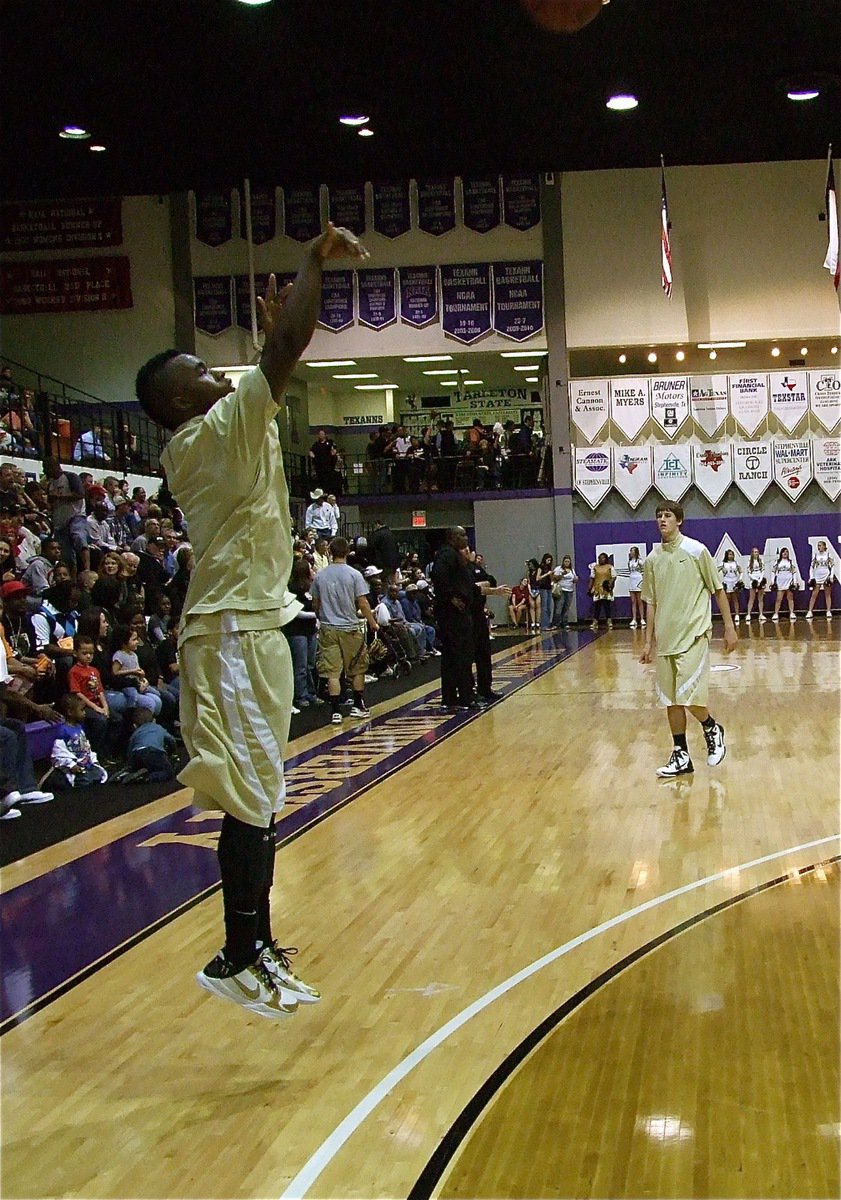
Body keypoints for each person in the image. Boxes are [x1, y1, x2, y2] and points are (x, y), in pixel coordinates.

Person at [135, 224, 366, 1016]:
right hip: (231, 628)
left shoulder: (233, 429)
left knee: (259, 795)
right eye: (199, 371)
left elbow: (276, 363)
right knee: (250, 797)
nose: (214, 372)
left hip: (252, 622)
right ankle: (237, 952)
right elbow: (286, 351)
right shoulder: (204, 437)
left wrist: (277, 343)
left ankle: (253, 946)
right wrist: (310, 263)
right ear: (176, 401)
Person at [639, 503, 737, 777]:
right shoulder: (652, 559)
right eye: (659, 516)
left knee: (688, 695)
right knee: (671, 701)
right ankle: (681, 754)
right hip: (666, 639)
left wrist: (729, 627)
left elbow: (718, 590)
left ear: (679, 520)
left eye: (667, 515)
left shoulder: (697, 551)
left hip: (694, 635)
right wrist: (648, 641)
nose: (662, 520)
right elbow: (651, 602)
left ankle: (711, 728)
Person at [311, 535, 378, 725]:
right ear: (347, 552)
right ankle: (358, 705)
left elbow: (315, 603)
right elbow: (363, 603)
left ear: (330, 552)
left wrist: (322, 616)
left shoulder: (320, 576)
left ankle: (335, 711)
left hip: (328, 628)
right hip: (350, 628)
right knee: (357, 668)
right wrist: (372, 622)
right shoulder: (354, 574)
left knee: (332, 672)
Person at [431, 527, 480, 711]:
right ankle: (463, 697)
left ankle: (453, 697)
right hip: (452, 616)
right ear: (452, 537)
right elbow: (438, 576)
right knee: (459, 655)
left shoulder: (454, 555)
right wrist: (452, 597)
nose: (465, 538)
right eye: (461, 535)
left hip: (459, 613)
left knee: (456, 656)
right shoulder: (447, 555)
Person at [49, 693, 108, 787]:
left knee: (99, 774)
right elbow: (59, 752)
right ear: (70, 712)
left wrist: (93, 760)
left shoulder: (80, 727)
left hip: (85, 764)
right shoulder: (63, 730)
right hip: (73, 766)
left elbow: (86, 747)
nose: (84, 713)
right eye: (82, 710)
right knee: (83, 779)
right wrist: (71, 765)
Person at [123, 707, 177, 782]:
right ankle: (147, 777)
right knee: (167, 771)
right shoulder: (158, 727)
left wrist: (129, 762)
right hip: (153, 751)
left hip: (136, 752)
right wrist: (172, 751)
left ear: (135, 725)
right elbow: (171, 740)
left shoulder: (137, 732)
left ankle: (128, 772)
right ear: (154, 720)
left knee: (135, 766)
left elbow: (130, 745)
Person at [806, 540, 835, 620]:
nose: (819, 547)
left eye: (820, 545)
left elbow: (832, 566)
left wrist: (831, 576)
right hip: (817, 576)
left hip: (826, 575)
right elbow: (811, 567)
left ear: (824, 546)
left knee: (827, 594)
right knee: (814, 595)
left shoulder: (828, 555)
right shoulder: (815, 555)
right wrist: (811, 577)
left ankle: (828, 611)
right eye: (818, 546)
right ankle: (810, 611)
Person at [589, 553, 616, 630]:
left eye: (603, 558)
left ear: (606, 559)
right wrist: (590, 588)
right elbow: (592, 578)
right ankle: (595, 621)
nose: (601, 559)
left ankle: (609, 621)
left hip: (606, 589)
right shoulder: (595, 567)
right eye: (600, 558)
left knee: (607, 605)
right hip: (597, 589)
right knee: (597, 606)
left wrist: (610, 584)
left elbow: (614, 576)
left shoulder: (609, 567)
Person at [771, 548, 798, 622]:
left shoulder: (791, 562)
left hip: (789, 583)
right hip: (780, 583)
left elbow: (794, 572)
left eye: (786, 552)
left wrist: (794, 582)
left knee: (790, 598)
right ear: (781, 553)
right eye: (783, 552)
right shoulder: (777, 562)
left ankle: (792, 612)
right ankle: (776, 613)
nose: (785, 553)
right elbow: (773, 572)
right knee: (778, 599)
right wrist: (772, 581)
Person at [551, 556, 578, 629]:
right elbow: (554, 578)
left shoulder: (572, 570)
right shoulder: (558, 569)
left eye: (568, 562)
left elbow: (574, 579)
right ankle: (556, 624)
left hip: (569, 590)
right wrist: (562, 574)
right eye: (565, 561)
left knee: (566, 608)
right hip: (561, 590)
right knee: (559, 608)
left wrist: (576, 579)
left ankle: (564, 623)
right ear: (563, 562)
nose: (567, 563)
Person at [719, 549, 742, 626]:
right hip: (727, 582)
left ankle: (737, 615)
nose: (731, 556)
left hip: (734, 582)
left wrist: (740, 580)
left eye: (732, 554)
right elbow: (716, 571)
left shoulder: (736, 563)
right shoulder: (723, 563)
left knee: (735, 599)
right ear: (726, 555)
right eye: (729, 554)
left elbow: (741, 571)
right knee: (727, 600)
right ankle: (727, 616)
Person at [744, 548, 767, 622]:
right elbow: (749, 573)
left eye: (757, 552)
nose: (756, 553)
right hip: (753, 581)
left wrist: (760, 580)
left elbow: (763, 570)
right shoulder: (749, 562)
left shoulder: (761, 561)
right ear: (752, 553)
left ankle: (761, 614)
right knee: (752, 598)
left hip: (760, 580)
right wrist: (755, 580)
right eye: (754, 552)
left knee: (760, 598)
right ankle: (748, 614)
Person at [534, 553, 554, 629]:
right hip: (543, 588)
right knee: (544, 607)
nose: (549, 561)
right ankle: (544, 625)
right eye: (548, 560)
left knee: (549, 607)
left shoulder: (549, 567)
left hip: (549, 588)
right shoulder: (540, 567)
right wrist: (546, 574)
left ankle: (548, 623)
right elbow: (537, 578)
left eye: (550, 560)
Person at [627, 547, 645, 629]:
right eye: (630, 551)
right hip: (631, 580)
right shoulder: (629, 562)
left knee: (639, 601)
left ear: (636, 552)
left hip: (638, 579)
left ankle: (642, 618)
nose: (631, 552)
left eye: (632, 551)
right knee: (633, 601)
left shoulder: (640, 561)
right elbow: (630, 571)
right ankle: (634, 619)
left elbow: (644, 570)